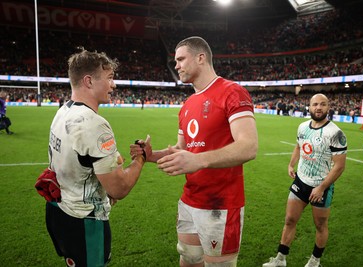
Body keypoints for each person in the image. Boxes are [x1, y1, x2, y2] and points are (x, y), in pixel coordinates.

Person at [133, 36, 258, 267]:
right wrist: (152, 155)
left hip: (220, 204)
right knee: (188, 259)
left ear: (201, 58)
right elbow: (182, 150)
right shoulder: (188, 104)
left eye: (181, 59)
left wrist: (200, 160)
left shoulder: (232, 92)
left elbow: (249, 146)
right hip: (190, 200)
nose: (176, 65)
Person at [42, 49, 148, 267]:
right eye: (109, 78)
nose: (114, 85)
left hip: (59, 211)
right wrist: (141, 158)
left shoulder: (63, 111)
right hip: (84, 221)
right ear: (89, 81)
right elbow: (118, 189)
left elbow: (81, 160)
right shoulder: (94, 123)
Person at [262, 94, 347, 267]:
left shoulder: (336, 133)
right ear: (309, 106)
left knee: (320, 225)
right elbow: (298, 146)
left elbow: (339, 166)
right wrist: (291, 164)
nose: (318, 107)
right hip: (301, 181)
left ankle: (315, 261)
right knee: (289, 220)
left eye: (323, 104)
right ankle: (280, 259)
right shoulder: (302, 127)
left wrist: (322, 187)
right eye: (315, 104)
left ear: (328, 107)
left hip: (321, 187)